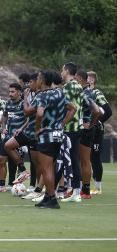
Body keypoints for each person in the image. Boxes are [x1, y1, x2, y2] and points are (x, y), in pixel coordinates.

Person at [34, 71, 76, 209]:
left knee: (45, 169)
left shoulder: (42, 95)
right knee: (50, 168)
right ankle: (47, 198)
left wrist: (37, 129)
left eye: (38, 78)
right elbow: (73, 109)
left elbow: (39, 113)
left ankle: (53, 200)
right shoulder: (59, 93)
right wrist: (62, 124)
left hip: (46, 136)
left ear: (41, 81)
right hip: (58, 135)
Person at [0, 83, 28, 192]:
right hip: (8, 136)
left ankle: (19, 186)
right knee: (1, 160)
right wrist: (3, 127)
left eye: (13, 92)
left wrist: (22, 129)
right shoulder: (8, 103)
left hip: (19, 136)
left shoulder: (23, 104)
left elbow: (29, 118)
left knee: (19, 161)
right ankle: (2, 186)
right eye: (9, 91)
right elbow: (4, 116)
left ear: (19, 92)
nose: (10, 94)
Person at [60, 62, 84, 203]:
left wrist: (61, 124)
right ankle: (76, 192)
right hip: (78, 128)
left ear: (67, 71)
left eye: (62, 70)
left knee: (62, 160)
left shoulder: (68, 86)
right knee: (74, 160)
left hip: (69, 128)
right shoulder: (78, 86)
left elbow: (67, 107)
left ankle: (48, 192)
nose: (61, 72)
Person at [74, 70, 100, 199]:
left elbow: (97, 111)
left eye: (75, 78)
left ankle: (86, 190)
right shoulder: (85, 91)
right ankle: (79, 189)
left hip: (86, 129)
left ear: (79, 79)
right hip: (83, 128)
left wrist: (89, 124)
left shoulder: (86, 92)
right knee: (79, 159)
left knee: (84, 160)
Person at [87, 71, 112, 195]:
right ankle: (84, 185)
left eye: (86, 78)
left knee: (95, 157)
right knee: (87, 157)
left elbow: (108, 110)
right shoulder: (84, 93)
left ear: (91, 80)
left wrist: (97, 122)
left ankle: (98, 187)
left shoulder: (96, 93)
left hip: (96, 131)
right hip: (86, 129)